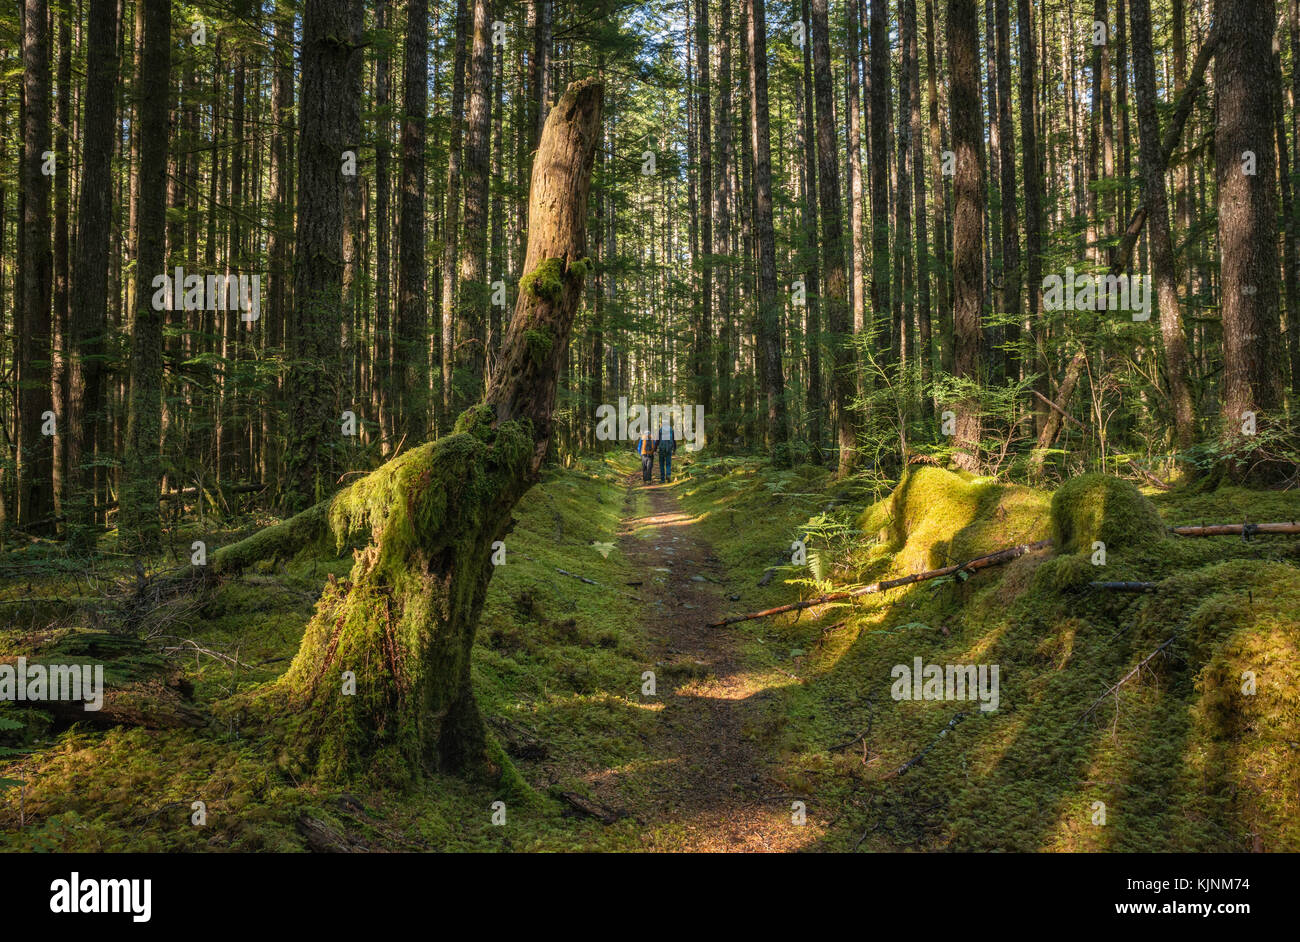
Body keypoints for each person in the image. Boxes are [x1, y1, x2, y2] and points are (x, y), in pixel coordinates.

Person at [655, 416, 675, 483]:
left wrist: (655, 449)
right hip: (669, 449)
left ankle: (663, 479)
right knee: (668, 463)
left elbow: (657, 440)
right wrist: (674, 448)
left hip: (661, 449)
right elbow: (674, 440)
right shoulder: (671, 429)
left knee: (661, 464)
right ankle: (668, 475)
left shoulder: (660, 430)